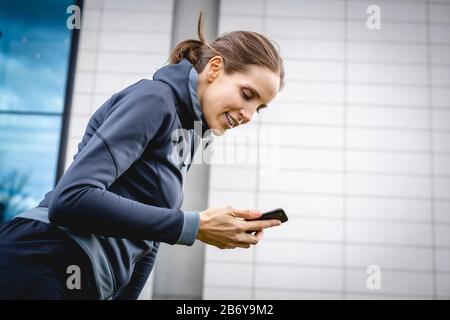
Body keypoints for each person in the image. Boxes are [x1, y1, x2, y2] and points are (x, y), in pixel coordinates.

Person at [0, 13, 285, 300]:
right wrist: (195, 225)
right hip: (40, 260)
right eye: (248, 94)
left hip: (83, 283)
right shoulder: (154, 99)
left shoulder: (189, 134)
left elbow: (148, 242)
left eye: (259, 108)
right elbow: (71, 199)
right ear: (214, 68)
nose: (249, 116)